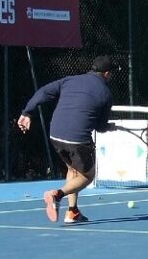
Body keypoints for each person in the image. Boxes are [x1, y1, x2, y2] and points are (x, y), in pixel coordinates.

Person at [17, 55, 121, 223]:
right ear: (107, 74)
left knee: (73, 170)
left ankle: (72, 212)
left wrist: (27, 112)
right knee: (87, 176)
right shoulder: (106, 94)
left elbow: (43, 91)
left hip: (55, 134)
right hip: (77, 140)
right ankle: (57, 195)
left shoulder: (69, 80)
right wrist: (110, 126)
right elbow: (100, 128)